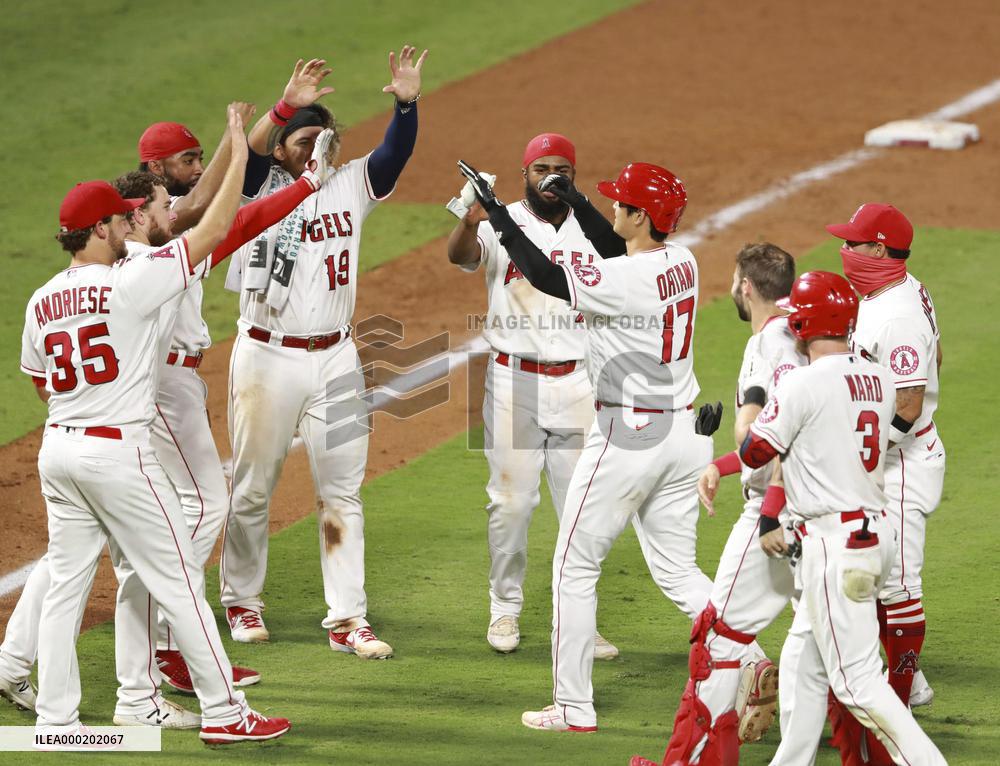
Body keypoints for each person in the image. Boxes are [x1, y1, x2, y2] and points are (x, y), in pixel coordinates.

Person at [20, 108, 290, 742]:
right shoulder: (131, 281)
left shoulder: (40, 299)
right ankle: (226, 714)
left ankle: (61, 721)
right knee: (178, 582)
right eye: (117, 218)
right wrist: (235, 143)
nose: (126, 222)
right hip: (118, 457)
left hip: (58, 451)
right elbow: (219, 224)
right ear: (100, 228)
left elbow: (41, 380)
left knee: (65, 585)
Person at [460, 160, 717, 732]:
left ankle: (573, 706)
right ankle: (747, 660)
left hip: (629, 438)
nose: (615, 209)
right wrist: (576, 198)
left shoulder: (623, 280)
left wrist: (498, 213)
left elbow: (548, 276)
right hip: (683, 435)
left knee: (574, 568)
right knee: (678, 570)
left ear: (640, 215)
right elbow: (614, 244)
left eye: (622, 203)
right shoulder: (683, 259)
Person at [220, 49, 427, 659]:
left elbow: (394, 156)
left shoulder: (350, 184)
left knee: (343, 492)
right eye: (302, 138)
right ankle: (242, 600)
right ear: (283, 150)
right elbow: (249, 154)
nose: (315, 148)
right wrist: (288, 104)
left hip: (335, 358)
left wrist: (406, 104)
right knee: (254, 486)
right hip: (266, 358)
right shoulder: (259, 187)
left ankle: (347, 619)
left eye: (322, 138)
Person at [736, 270, 945, 766]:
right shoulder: (876, 377)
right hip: (872, 534)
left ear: (804, 324)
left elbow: (753, 451)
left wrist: (749, 411)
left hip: (835, 544)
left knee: (858, 686)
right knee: (802, 659)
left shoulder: (803, 383)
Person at [446, 133, 620, 659]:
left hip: (578, 383)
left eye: (561, 168)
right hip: (509, 378)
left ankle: (580, 622)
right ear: (523, 171)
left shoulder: (590, 227)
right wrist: (470, 219)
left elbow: (617, 261)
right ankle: (505, 607)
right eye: (540, 167)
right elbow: (461, 259)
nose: (551, 176)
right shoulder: (503, 219)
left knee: (581, 509)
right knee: (512, 504)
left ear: (573, 171)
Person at [634, 243, 806, 765]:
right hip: (825, 513)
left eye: (734, 279)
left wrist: (757, 485)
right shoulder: (801, 336)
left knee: (717, 639)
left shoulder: (765, 347)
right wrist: (726, 464)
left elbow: (762, 433)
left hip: (776, 514)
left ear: (746, 287)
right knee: (828, 651)